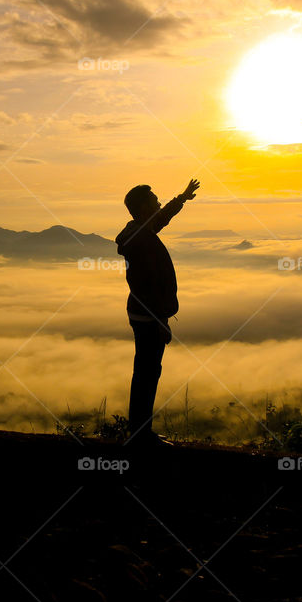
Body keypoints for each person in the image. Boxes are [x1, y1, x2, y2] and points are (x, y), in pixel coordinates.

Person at [115, 178, 200, 447]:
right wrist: (159, 321)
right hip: (147, 317)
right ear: (142, 208)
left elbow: (160, 218)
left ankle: (140, 432)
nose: (159, 203)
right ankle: (141, 437)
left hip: (143, 314)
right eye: (154, 201)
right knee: (147, 373)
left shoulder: (139, 232)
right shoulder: (140, 241)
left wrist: (182, 199)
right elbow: (144, 286)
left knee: (146, 371)